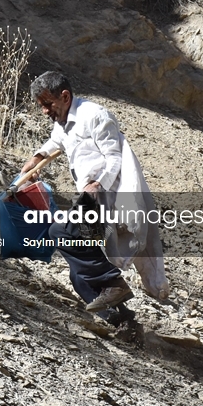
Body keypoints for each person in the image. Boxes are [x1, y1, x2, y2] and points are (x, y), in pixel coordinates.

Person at [20, 71, 167, 326]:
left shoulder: (95, 116)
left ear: (65, 96)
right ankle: (122, 325)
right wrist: (37, 158)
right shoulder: (63, 120)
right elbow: (57, 140)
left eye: (47, 104)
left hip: (107, 195)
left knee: (61, 232)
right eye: (41, 106)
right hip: (93, 194)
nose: (44, 111)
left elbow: (114, 158)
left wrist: (98, 185)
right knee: (80, 276)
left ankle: (114, 283)